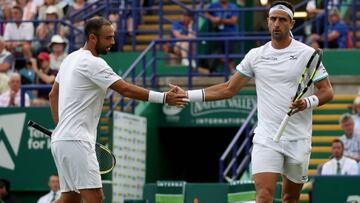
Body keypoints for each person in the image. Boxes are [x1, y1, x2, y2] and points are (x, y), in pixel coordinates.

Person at [174, 1, 334, 202]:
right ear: (267, 21)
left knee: (290, 198)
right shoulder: (255, 56)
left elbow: (327, 91)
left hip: (298, 139)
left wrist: (306, 102)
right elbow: (228, 88)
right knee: (264, 196)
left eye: (282, 20)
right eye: (273, 19)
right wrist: (188, 95)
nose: (277, 24)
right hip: (266, 138)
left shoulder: (307, 54)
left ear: (291, 23)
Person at [48, 16, 187, 203]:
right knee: (95, 198)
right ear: (92, 38)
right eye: (108, 38)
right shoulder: (93, 63)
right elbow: (125, 89)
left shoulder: (70, 59)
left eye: (113, 37)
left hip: (62, 140)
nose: (113, 42)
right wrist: (164, 97)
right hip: (76, 140)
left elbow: (52, 95)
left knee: (70, 197)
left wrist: (60, 127)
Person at [204, 0, 238, 72]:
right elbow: (205, 13)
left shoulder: (233, 6)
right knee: (219, 54)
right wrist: (212, 18)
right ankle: (230, 69)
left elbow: (233, 20)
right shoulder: (214, 5)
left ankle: (231, 70)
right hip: (218, 35)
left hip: (230, 34)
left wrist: (220, 20)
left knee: (230, 55)